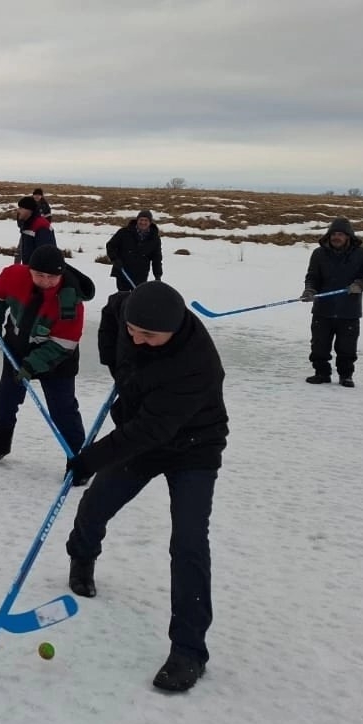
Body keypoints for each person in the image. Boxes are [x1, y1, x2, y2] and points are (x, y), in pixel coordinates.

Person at [63, 281, 228, 693]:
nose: (137, 338)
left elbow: (150, 431)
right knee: (97, 503)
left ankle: (189, 650)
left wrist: (89, 458)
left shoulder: (198, 365)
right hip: (142, 431)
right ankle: (82, 556)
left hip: (192, 448)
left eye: (148, 336)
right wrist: (120, 368)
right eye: (132, 331)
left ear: (174, 328)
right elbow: (112, 316)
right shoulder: (128, 311)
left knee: (189, 542)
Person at [0, 245, 94, 469]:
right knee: (5, 400)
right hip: (17, 349)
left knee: (63, 409)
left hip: (58, 358)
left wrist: (32, 365)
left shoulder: (70, 301)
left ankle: (78, 457)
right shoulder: (13, 276)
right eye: (39, 274)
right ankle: (0, 443)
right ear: (29, 269)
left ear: (61, 274)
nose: (45, 280)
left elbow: (64, 343)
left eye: (52, 276)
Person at [301, 217, 363, 387]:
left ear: (348, 236)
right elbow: (312, 277)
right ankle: (321, 373)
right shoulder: (319, 254)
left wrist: (361, 285)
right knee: (319, 346)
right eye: (333, 234)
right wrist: (310, 290)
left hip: (349, 311)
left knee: (346, 347)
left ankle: (346, 376)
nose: (336, 237)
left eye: (340, 234)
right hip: (322, 310)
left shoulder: (361, 254)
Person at [105, 209, 163, 290]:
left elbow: (157, 258)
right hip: (123, 271)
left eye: (146, 220)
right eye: (141, 220)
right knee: (123, 297)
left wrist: (157, 275)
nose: (143, 222)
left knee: (137, 298)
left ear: (150, 222)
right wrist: (115, 259)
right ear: (137, 220)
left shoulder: (154, 238)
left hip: (140, 274)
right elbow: (110, 246)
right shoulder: (124, 232)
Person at [15, 195, 56, 263]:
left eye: (21, 208)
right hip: (29, 268)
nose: (18, 210)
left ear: (29, 210)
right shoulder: (27, 223)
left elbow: (46, 256)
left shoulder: (42, 227)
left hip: (39, 271)